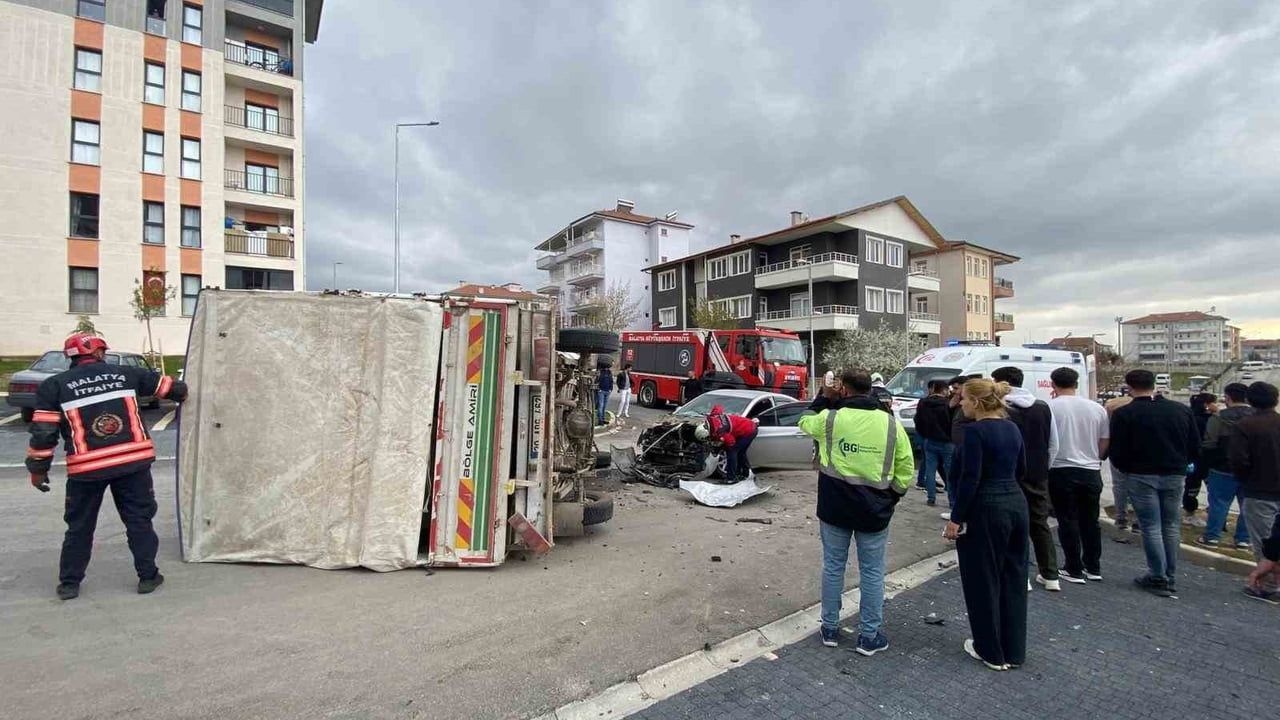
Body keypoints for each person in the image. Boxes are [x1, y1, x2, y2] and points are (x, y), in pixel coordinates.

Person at [26, 333, 188, 600]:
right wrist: (183, 391)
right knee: (139, 520)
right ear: (100, 353)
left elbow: (44, 433)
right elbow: (174, 389)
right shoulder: (126, 374)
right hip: (132, 463)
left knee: (79, 526)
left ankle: (69, 584)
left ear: (71, 357)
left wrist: (37, 469)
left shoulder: (54, 386)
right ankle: (148, 577)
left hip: (86, 470)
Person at [798, 369, 914, 656]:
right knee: (872, 573)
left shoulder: (831, 418)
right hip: (874, 510)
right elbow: (905, 469)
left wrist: (824, 398)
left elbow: (803, 422)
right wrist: (892, 497)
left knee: (833, 567)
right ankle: (869, 636)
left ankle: (830, 629)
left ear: (844, 390)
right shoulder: (890, 424)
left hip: (834, 507)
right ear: (870, 389)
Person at [945, 378, 1028, 671]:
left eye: (965, 399)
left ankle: (989, 649)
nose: (961, 403)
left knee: (982, 579)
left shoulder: (974, 433)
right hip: (1016, 504)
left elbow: (970, 478)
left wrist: (956, 518)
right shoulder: (1013, 428)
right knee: (1014, 576)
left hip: (986, 507)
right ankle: (1014, 649)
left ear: (977, 402)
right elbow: (1022, 469)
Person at [1110, 369, 1200, 598]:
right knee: (1170, 525)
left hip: (1141, 474)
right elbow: (1195, 444)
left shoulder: (1125, 414)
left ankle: (1157, 575)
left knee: (1151, 526)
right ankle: (1169, 573)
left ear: (1128, 387)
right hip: (1175, 474)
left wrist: (1125, 468)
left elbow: (1117, 450)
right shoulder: (1180, 410)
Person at [991, 366, 1060, 592]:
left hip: (1007, 475)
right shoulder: (1042, 407)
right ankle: (1050, 575)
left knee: (1011, 525)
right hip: (1037, 475)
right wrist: (1042, 469)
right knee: (1039, 524)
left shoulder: (1000, 408)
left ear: (1002, 383)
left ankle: (1021, 576)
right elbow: (1053, 444)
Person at [1047, 367, 1110, 583]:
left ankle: (1073, 567)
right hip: (1091, 470)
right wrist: (1096, 458)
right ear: (1076, 384)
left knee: (1067, 519)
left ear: (1053, 384)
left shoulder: (1050, 408)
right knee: (1090, 521)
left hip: (1060, 469)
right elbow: (1104, 440)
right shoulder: (1096, 408)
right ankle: (1093, 567)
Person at [1229, 381, 1280, 604]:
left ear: (1250, 400)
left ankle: (1269, 585)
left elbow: (1239, 460)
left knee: (1264, 539)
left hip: (1259, 489)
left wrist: (1245, 478)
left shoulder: (1245, 426)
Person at [1198, 383, 1253, 549]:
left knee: (1219, 503)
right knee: (1247, 505)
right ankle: (1243, 539)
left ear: (1228, 398)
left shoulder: (1219, 417)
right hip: (1251, 469)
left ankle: (1212, 537)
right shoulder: (1257, 417)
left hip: (1222, 467)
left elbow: (1209, 443)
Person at [914, 378, 954, 507]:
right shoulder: (947, 404)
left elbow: (918, 420)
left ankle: (931, 497)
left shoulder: (923, 402)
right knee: (950, 472)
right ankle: (952, 501)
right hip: (947, 442)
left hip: (930, 440)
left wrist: (925, 434)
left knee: (930, 470)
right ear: (944, 390)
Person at [1105, 393, 1138, 534]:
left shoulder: (1113, 415)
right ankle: (1138, 522)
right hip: (1138, 456)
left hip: (1117, 456)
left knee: (1119, 488)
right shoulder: (1136, 414)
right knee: (1137, 489)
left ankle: (1121, 519)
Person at [1183, 392, 1218, 521]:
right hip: (1208, 459)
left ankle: (1189, 512)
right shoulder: (1211, 419)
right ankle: (1213, 514)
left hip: (1191, 459)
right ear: (1207, 405)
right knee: (1213, 488)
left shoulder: (1188, 416)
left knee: (1191, 486)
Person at [705, 405, 759, 483]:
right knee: (740, 452)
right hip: (746, 426)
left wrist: (722, 445)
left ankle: (731, 478)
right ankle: (744, 474)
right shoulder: (713, 417)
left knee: (732, 451)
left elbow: (731, 442)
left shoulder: (721, 432)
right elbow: (718, 407)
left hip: (749, 430)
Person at [596, 361, 613, 425]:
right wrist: (599, 389)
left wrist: (611, 389)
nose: (607, 368)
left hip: (607, 391)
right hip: (601, 391)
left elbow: (611, 381)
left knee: (604, 406)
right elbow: (597, 381)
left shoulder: (609, 372)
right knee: (601, 406)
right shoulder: (600, 372)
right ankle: (600, 420)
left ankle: (602, 419)